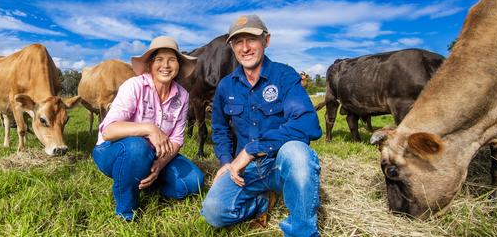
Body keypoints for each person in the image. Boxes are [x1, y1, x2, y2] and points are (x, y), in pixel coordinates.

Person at [201, 15, 323, 236]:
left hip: (280, 164)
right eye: (238, 42)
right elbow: (219, 128)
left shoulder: (284, 75)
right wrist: (227, 161)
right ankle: (261, 202)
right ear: (232, 47)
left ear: (266, 41)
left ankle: (301, 230)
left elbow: (308, 122)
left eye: (252, 39)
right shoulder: (226, 86)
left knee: (298, 153)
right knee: (214, 212)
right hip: (246, 170)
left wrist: (251, 150)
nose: (245, 48)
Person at [91, 36, 205, 221]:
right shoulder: (134, 86)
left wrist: (159, 165)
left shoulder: (182, 95)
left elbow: (176, 140)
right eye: (159, 59)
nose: (166, 65)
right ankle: (126, 212)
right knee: (138, 147)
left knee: (193, 182)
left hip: (155, 155)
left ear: (179, 66)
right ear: (150, 64)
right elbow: (108, 131)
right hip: (112, 151)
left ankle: (147, 181)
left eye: (172, 60)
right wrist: (149, 129)